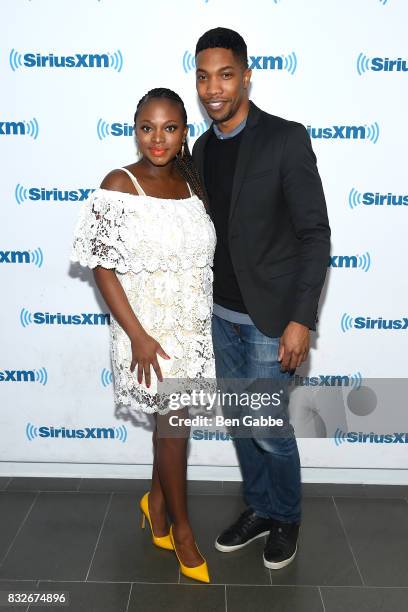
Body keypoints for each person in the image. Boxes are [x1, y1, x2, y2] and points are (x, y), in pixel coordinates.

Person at [192, 28, 331, 570]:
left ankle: (287, 518)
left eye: (225, 74)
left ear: (246, 75)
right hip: (220, 316)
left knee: (270, 431)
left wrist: (301, 320)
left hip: (269, 320)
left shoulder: (284, 138)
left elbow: (315, 234)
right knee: (241, 425)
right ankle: (259, 508)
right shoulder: (201, 149)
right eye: (203, 76)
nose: (213, 88)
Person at [70, 88, 216, 583]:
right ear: (135, 129)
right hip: (146, 333)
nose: (158, 138)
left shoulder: (192, 184)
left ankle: (155, 500)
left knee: (173, 427)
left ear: (183, 132)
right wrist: (137, 335)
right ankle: (184, 531)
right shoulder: (120, 184)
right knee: (174, 428)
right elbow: (102, 265)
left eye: (170, 127)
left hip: (191, 327)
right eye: (147, 127)